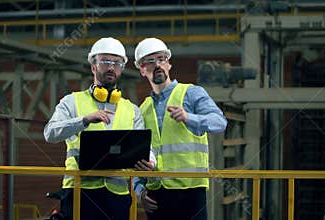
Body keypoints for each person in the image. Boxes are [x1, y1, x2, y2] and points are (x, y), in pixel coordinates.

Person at [44, 37, 154, 220]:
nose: (111, 67)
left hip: (117, 195)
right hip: (79, 191)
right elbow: (50, 133)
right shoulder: (71, 102)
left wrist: (151, 161)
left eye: (117, 63)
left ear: (122, 69)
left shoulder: (132, 110)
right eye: (105, 61)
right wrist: (83, 120)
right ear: (93, 66)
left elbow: (142, 146)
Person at [133, 38, 228, 220]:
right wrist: (140, 191)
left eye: (161, 59)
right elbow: (140, 153)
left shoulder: (191, 93)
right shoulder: (143, 108)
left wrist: (188, 117)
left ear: (168, 64)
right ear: (142, 70)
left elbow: (219, 122)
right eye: (150, 62)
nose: (157, 64)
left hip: (190, 190)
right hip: (156, 194)